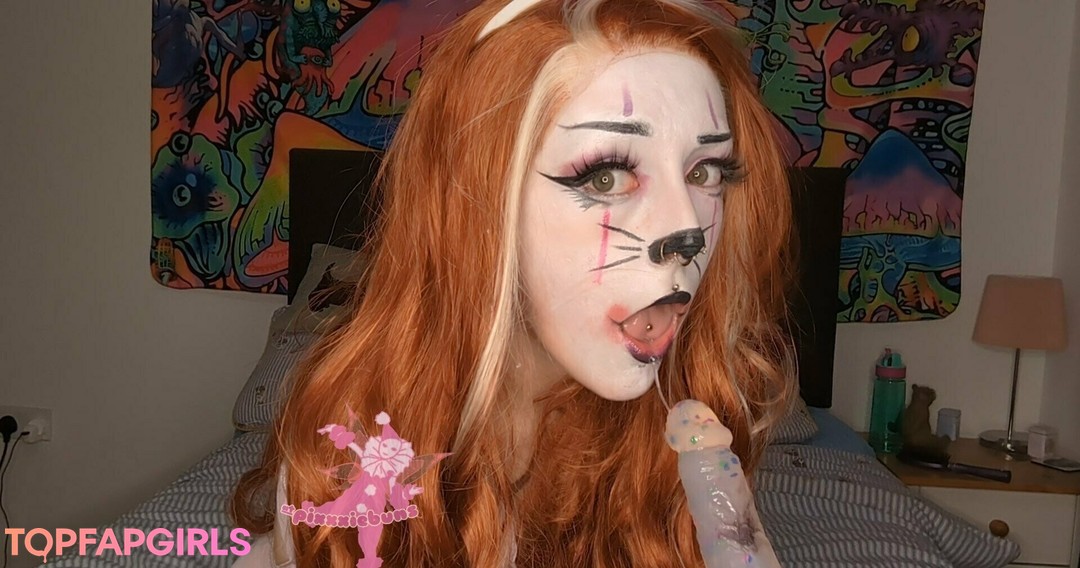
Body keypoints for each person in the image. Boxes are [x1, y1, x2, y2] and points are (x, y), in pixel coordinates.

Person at [231, 0, 795, 565]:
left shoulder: (697, 423)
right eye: (605, 175)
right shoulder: (352, 452)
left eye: (705, 172)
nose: (687, 231)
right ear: (483, 204)